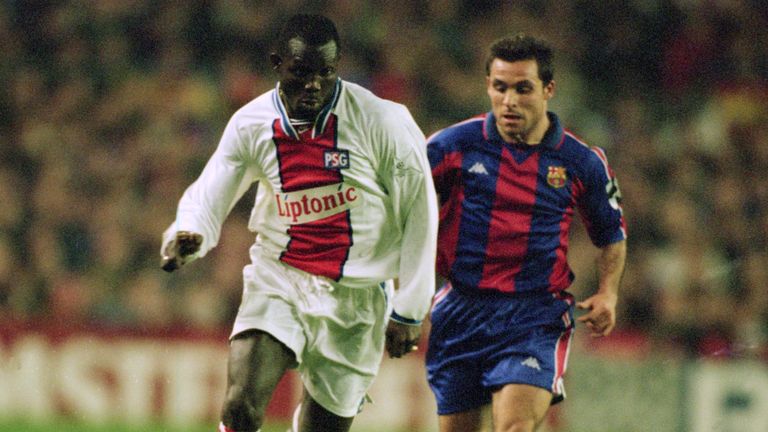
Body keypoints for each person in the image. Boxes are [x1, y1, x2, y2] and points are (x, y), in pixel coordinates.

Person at [159, 14, 438, 432]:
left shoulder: (384, 122)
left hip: (358, 299)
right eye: (301, 73)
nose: (313, 85)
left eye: (325, 73)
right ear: (277, 64)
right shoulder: (251, 124)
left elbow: (420, 211)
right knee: (241, 406)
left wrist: (411, 307)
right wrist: (190, 232)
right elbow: (211, 191)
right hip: (281, 278)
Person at [425, 34, 627, 432]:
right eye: (500, 88)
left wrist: (609, 291)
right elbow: (405, 212)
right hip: (461, 310)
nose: (509, 101)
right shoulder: (450, 146)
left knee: (514, 426)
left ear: (549, 89)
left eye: (523, 88)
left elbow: (611, 234)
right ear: (487, 86)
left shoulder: (581, 162)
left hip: (534, 315)